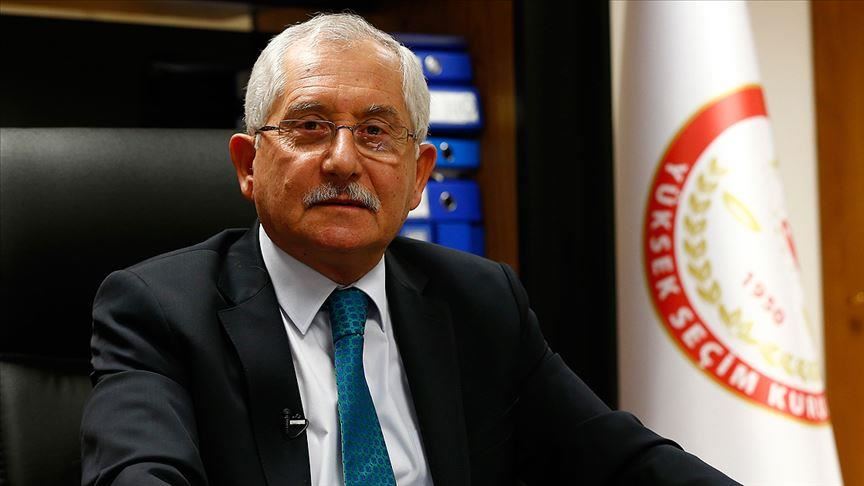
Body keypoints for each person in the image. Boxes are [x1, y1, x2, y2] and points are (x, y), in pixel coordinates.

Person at [80, 13, 737, 486]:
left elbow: (621, 459)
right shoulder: (159, 311)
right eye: (310, 127)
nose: (343, 161)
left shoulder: (481, 301)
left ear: (420, 175)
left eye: (375, 133)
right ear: (249, 165)